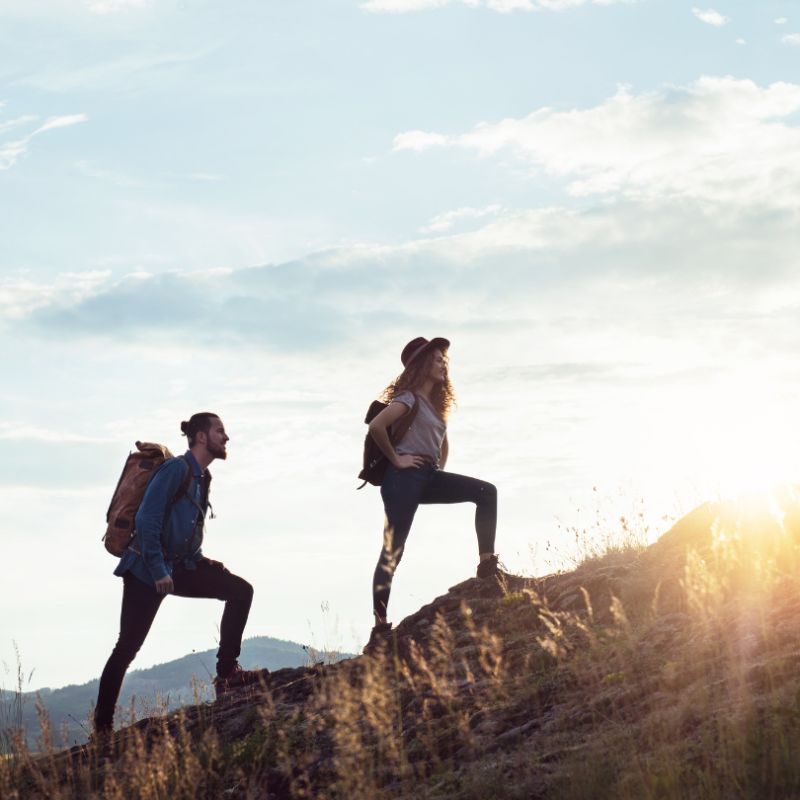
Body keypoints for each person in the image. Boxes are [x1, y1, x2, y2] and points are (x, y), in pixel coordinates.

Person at [94, 413, 258, 737]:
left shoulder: (202, 478)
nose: (226, 438)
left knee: (241, 591)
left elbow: (186, 533)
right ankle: (102, 729)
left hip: (179, 567)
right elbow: (147, 519)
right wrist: (156, 570)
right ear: (200, 437)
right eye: (220, 431)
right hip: (146, 569)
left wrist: (204, 562)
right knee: (127, 648)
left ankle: (227, 675)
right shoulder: (175, 469)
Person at [364, 337, 507, 653]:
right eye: (437, 358)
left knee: (486, 492)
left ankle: (487, 567)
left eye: (445, 359)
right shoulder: (409, 399)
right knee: (393, 552)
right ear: (421, 365)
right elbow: (377, 425)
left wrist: (439, 469)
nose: (444, 364)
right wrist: (397, 459)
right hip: (401, 479)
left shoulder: (435, 406)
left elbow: (442, 442)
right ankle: (379, 630)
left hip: (427, 476)